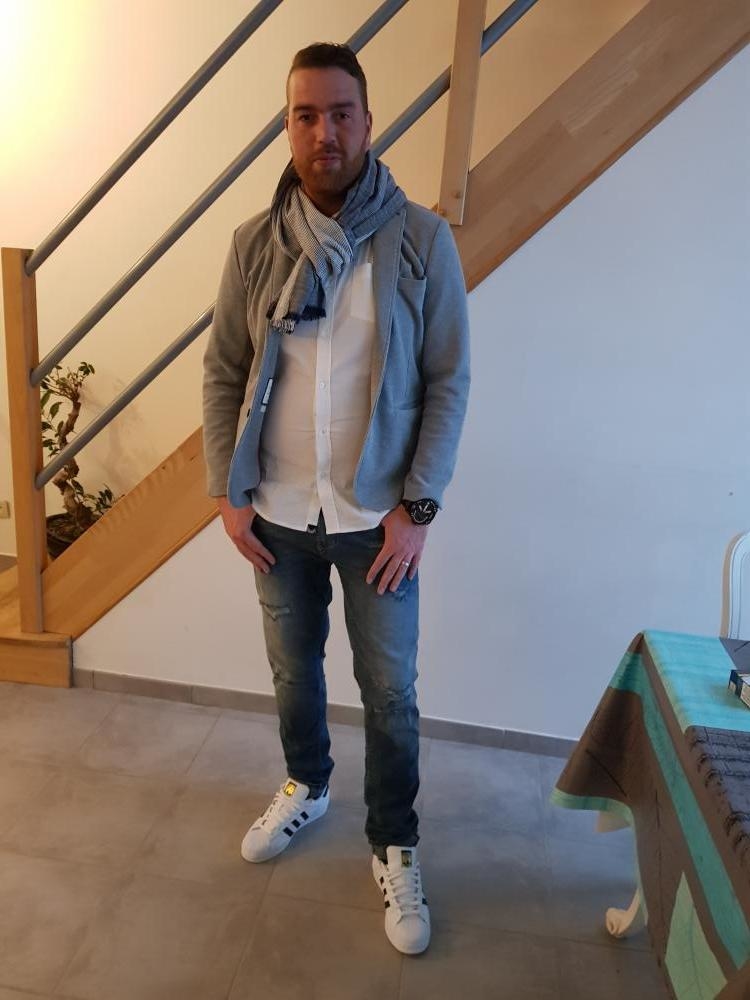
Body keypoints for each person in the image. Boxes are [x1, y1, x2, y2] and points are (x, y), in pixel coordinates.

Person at [202, 42, 469, 955]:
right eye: (306, 115)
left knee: (390, 691)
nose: (325, 132)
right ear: (288, 127)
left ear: (368, 121)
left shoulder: (421, 240)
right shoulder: (254, 244)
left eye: (341, 113)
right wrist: (227, 491)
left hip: (375, 522)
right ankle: (308, 785)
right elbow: (224, 371)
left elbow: (449, 381)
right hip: (277, 513)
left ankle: (394, 841)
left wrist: (418, 509)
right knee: (293, 670)